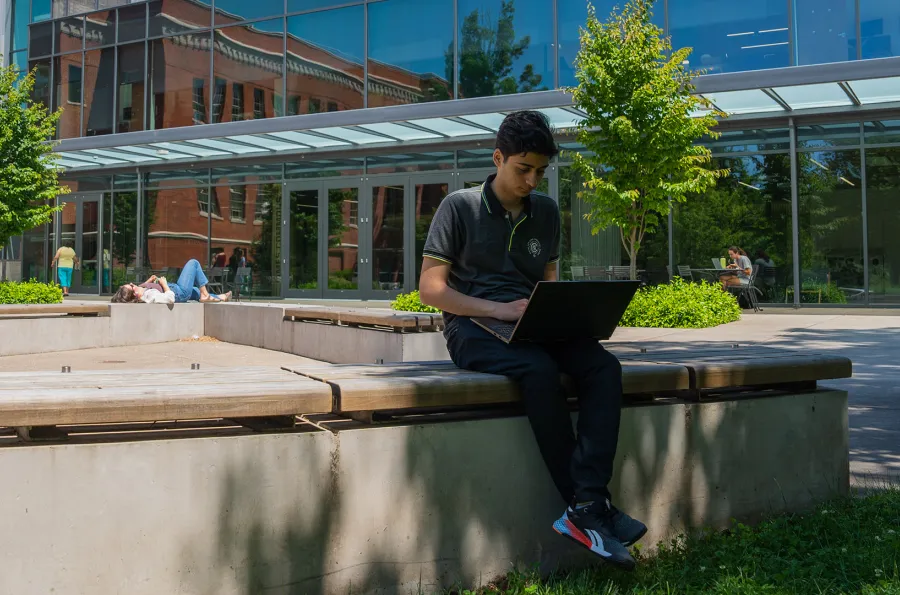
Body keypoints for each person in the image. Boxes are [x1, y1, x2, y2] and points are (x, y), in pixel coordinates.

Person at [419, 110, 646, 571]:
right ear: (498, 158)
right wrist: (498, 309)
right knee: (539, 372)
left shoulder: (546, 211)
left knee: (603, 367)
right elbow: (431, 289)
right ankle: (589, 507)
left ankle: (586, 506)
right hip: (471, 327)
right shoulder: (458, 207)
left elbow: (548, 282)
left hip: (530, 322)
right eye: (523, 169)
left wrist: (563, 315)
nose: (532, 180)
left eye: (540, 171)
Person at [110, 259, 231, 304]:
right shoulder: (149, 296)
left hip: (178, 289)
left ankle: (221, 297)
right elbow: (170, 299)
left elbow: (143, 288)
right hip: (179, 292)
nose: (133, 284)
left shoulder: (140, 292)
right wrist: (164, 284)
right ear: (135, 294)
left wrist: (150, 280)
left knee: (195, 291)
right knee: (193, 263)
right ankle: (205, 295)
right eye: (132, 286)